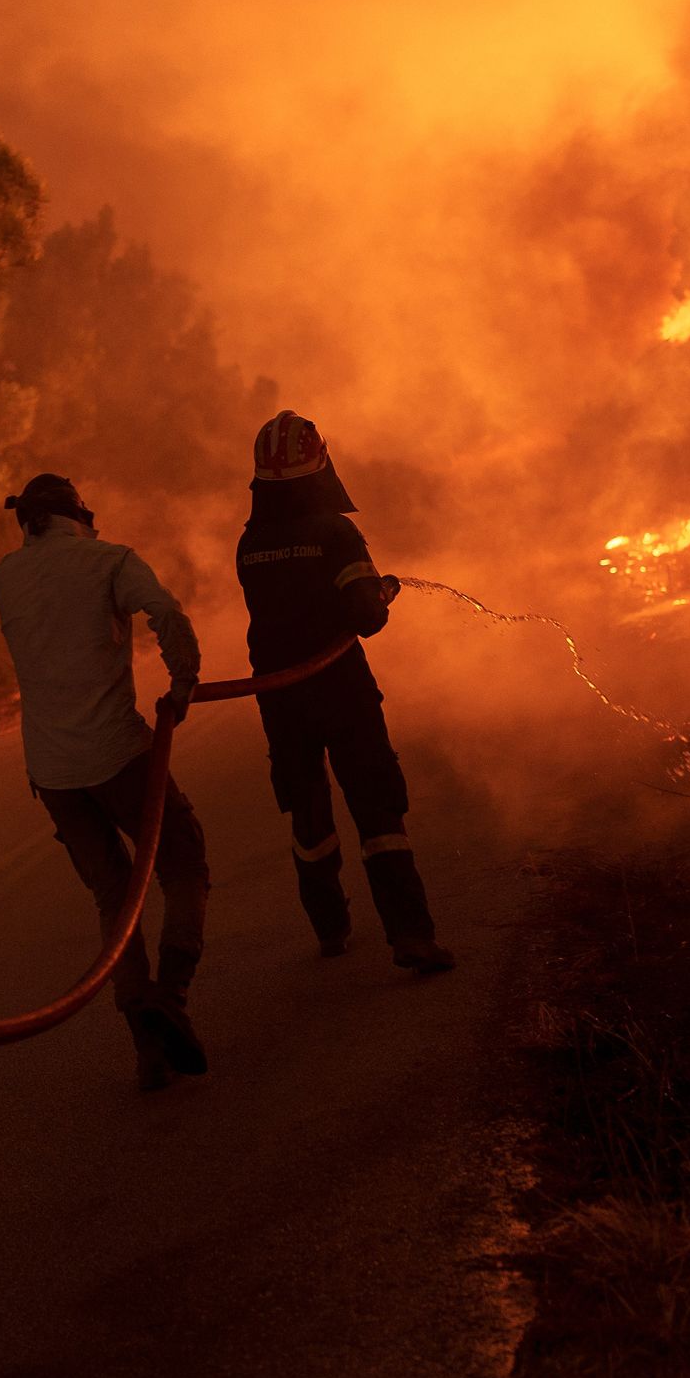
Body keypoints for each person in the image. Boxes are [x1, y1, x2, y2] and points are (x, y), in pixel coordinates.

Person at [0, 471, 215, 1091]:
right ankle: (170, 997)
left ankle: (147, 1051)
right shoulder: (109, 560)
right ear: (79, 516)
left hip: (52, 773)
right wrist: (183, 678)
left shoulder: (6, 574)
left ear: (28, 524)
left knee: (114, 899)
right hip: (117, 753)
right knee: (182, 864)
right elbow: (165, 611)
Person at [234, 411, 456, 973]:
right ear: (320, 464)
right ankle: (410, 936)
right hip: (341, 690)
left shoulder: (251, 540)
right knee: (377, 807)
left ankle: (330, 927)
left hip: (280, 700)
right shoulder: (334, 530)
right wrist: (380, 593)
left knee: (308, 812)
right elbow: (365, 617)